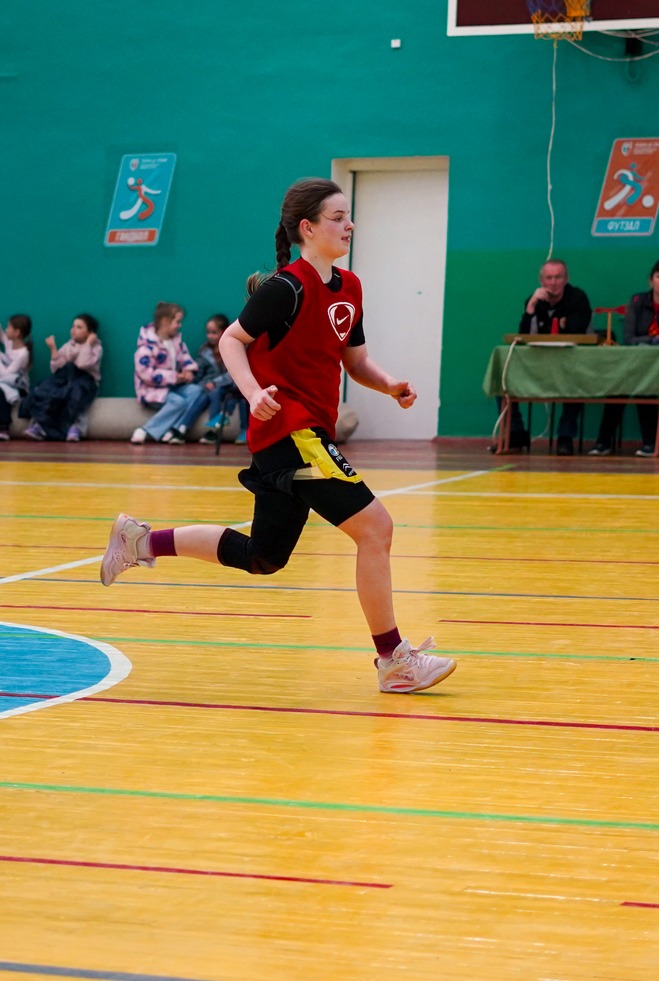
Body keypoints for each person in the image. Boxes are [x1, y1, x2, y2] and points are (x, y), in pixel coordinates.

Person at [100, 177, 456, 694]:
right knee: (376, 528)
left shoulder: (350, 288)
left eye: (349, 216)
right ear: (307, 228)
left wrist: (389, 385)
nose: (349, 225)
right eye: (338, 217)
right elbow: (231, 340)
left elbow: (354, 361)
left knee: (263, 556)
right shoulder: (285, 287)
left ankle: (140, 541)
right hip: (291, 431)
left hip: (299, 436)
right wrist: (251, 392)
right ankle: (393, 659)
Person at [592, 258, 659, 458]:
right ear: (651, 280)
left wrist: (653, 339)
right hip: (638, 364)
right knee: (619, 385)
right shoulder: (637, 301)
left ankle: (651, 443)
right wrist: (658, 338)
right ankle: (603, 443)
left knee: (645, 383)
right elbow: (629, 339)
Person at [512, 258, 592, 454]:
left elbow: (577, 330)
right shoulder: (534, 300)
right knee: (504, 378)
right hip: (539, 364)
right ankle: (515, 435)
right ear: (541, 280)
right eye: (549, 278)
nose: (553, 282)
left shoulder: (578, 298)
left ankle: (565, 437)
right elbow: (524, 337)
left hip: (570, 363)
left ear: (566, 279)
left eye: (558, 277)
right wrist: (530, 309)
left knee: (577, 380)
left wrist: (563, 324)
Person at [133, 302, 203, 444]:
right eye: (177, 321)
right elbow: (146, 374)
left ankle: (174, 430)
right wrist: (175, 377)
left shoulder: (177, 342)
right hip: (151, 391)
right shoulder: (146, 348)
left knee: (196, 391)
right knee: (178, 402)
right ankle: (146, 430)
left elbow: (185, 358)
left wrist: (188, 371)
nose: (179, 325)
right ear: (165, 321)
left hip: (173, 387)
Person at [23, 315, 101, 441]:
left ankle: (74, 428)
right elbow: (56, 368)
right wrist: (53, 349)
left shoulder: (95, 348)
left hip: (85, 381)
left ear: (90, 333)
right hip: (65, 378)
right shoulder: (68, 346)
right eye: (73, 326)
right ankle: (40, 426)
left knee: (75, 394)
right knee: (46, 390)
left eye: (79, 327)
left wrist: (88, 344)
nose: (73, 330)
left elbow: (82, 364)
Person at [191, 313, 243, 444]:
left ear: (224, 331)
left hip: (235, 385)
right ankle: (214, 428)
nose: (210, 336)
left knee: (235, 396)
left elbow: (234, 372)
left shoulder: (233, 347)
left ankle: (226, 419)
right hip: (216, 389)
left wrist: (215, 382)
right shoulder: (204, 351)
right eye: (208, 332)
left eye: (214, 332)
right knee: (215, 393)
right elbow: (199, 374)